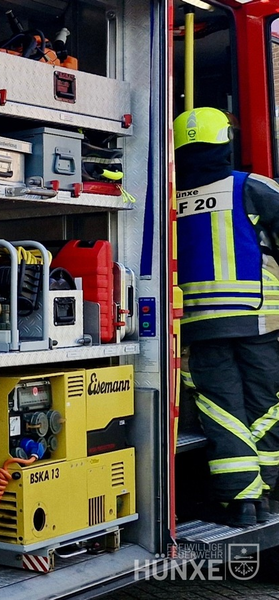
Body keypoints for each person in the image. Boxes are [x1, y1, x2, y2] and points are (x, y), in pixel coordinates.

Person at [175, 107, 279, 527]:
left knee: (221, 408)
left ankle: (241, 503)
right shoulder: (252, 187)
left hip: (199, 324)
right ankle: (267, 494)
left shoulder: (172, 196)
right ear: (225, 143)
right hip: (258, 320)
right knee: (265, 404)